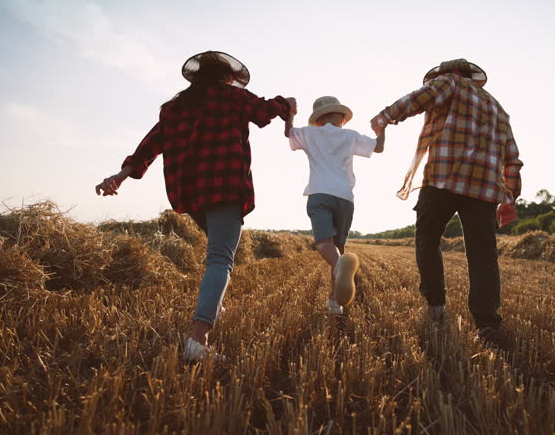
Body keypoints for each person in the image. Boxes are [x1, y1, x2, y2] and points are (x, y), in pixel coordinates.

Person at [95, 50, 297, 362]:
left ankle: (212, 304)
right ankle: (197, 340)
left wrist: (120, 176)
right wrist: (287, 104)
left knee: (216, 255)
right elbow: (263, 112)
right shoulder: (232, 97)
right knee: (219, 259)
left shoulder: (174, 108)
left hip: (189, 194)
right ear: (226, 77)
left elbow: (149, 146)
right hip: (226, 187)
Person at [369, 58, 523, 346]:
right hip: (484, 187)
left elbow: (417, 99)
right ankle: (486, 323)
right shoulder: (498, 108)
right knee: (482, 255)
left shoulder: (449, 82)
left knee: (427, 239)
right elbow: (512, 158)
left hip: (443, 177)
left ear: (447, 74)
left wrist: (384, 117)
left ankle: (436, 306)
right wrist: (509, 198)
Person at [284, 96, 385, 315]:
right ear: (338, 116)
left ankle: (340, 269)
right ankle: (334, 302)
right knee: (338, 248)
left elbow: (289, 132)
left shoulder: (311, 133)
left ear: (319, 119)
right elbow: (378, 148)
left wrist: (290, 112)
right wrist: (381, 127)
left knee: (324, 244)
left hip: (319, 193)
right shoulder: (350, 136)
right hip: (344, 198)